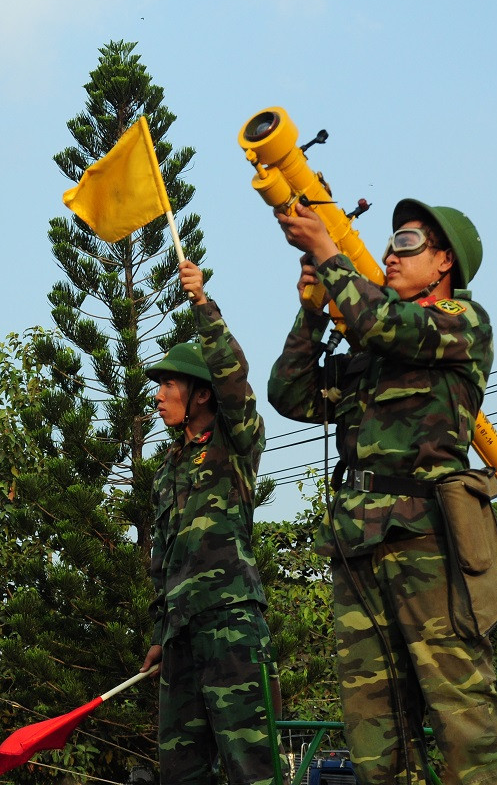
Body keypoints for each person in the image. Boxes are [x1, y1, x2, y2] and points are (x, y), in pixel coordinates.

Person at [267, 199, 497, 785]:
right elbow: (290, 394)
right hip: (357, 542)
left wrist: (328, 251)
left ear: (444, 262)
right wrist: (311, 314)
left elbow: (384, 323)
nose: (390, 254)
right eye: (388, 244)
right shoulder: (371, 350)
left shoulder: (462, 322)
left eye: (407, 243)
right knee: (374, 723)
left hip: (426, 538)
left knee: (461, 705)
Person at [141, 259, 280, 785]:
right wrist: (161, 633)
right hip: (180, 636)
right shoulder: (166, 470)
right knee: (180, 773)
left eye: (169, 384)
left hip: (231, 623)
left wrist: (201, 303)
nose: (158, 396)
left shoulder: (235, 441)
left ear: (201, 392)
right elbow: (163, 562)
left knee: (251, 767)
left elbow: (233, 377)